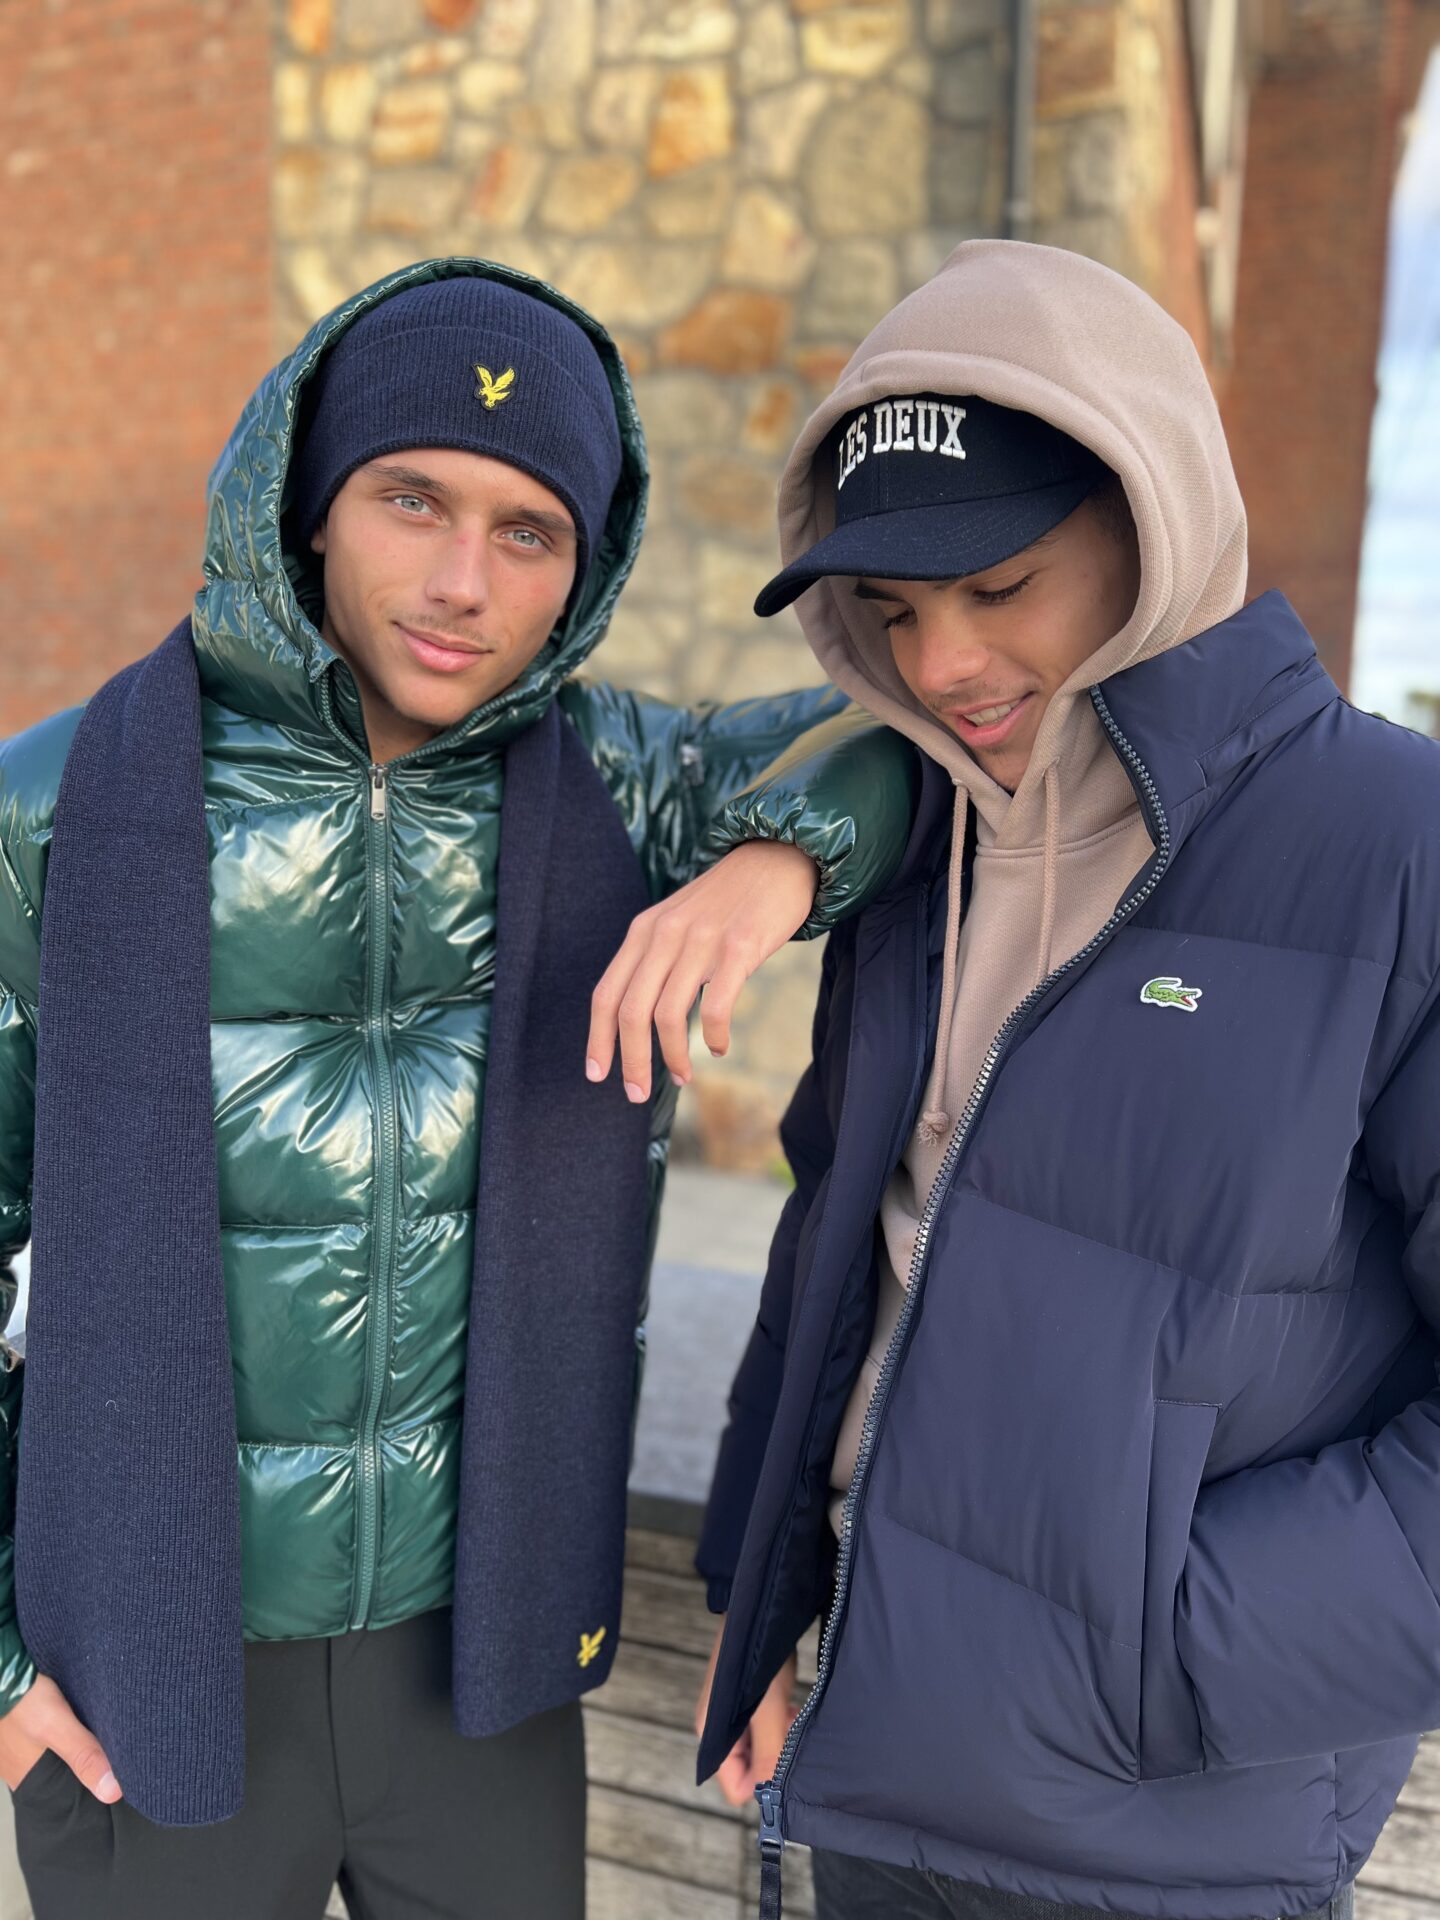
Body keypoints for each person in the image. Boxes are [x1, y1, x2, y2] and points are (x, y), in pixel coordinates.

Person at [0, 260, 912, 1920]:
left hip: (480, 1664)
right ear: (309, 504)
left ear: (587, 567)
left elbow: (914, 727)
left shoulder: (627, 785)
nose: (461, 583)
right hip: (147, 1667)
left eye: (528, 531)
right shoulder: (55, 806)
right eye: (411, 498)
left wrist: (773, 864)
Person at [635, 239, 1439, 1920]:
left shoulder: (1394, 847)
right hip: (867, 1782)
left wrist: (1161, 1650)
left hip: (1171, 1846)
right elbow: (834, 1254)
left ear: (1152, 523)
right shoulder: (914, 848)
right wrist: (756, 1598)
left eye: (999, 587)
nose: (943, 664)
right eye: (895, 611)